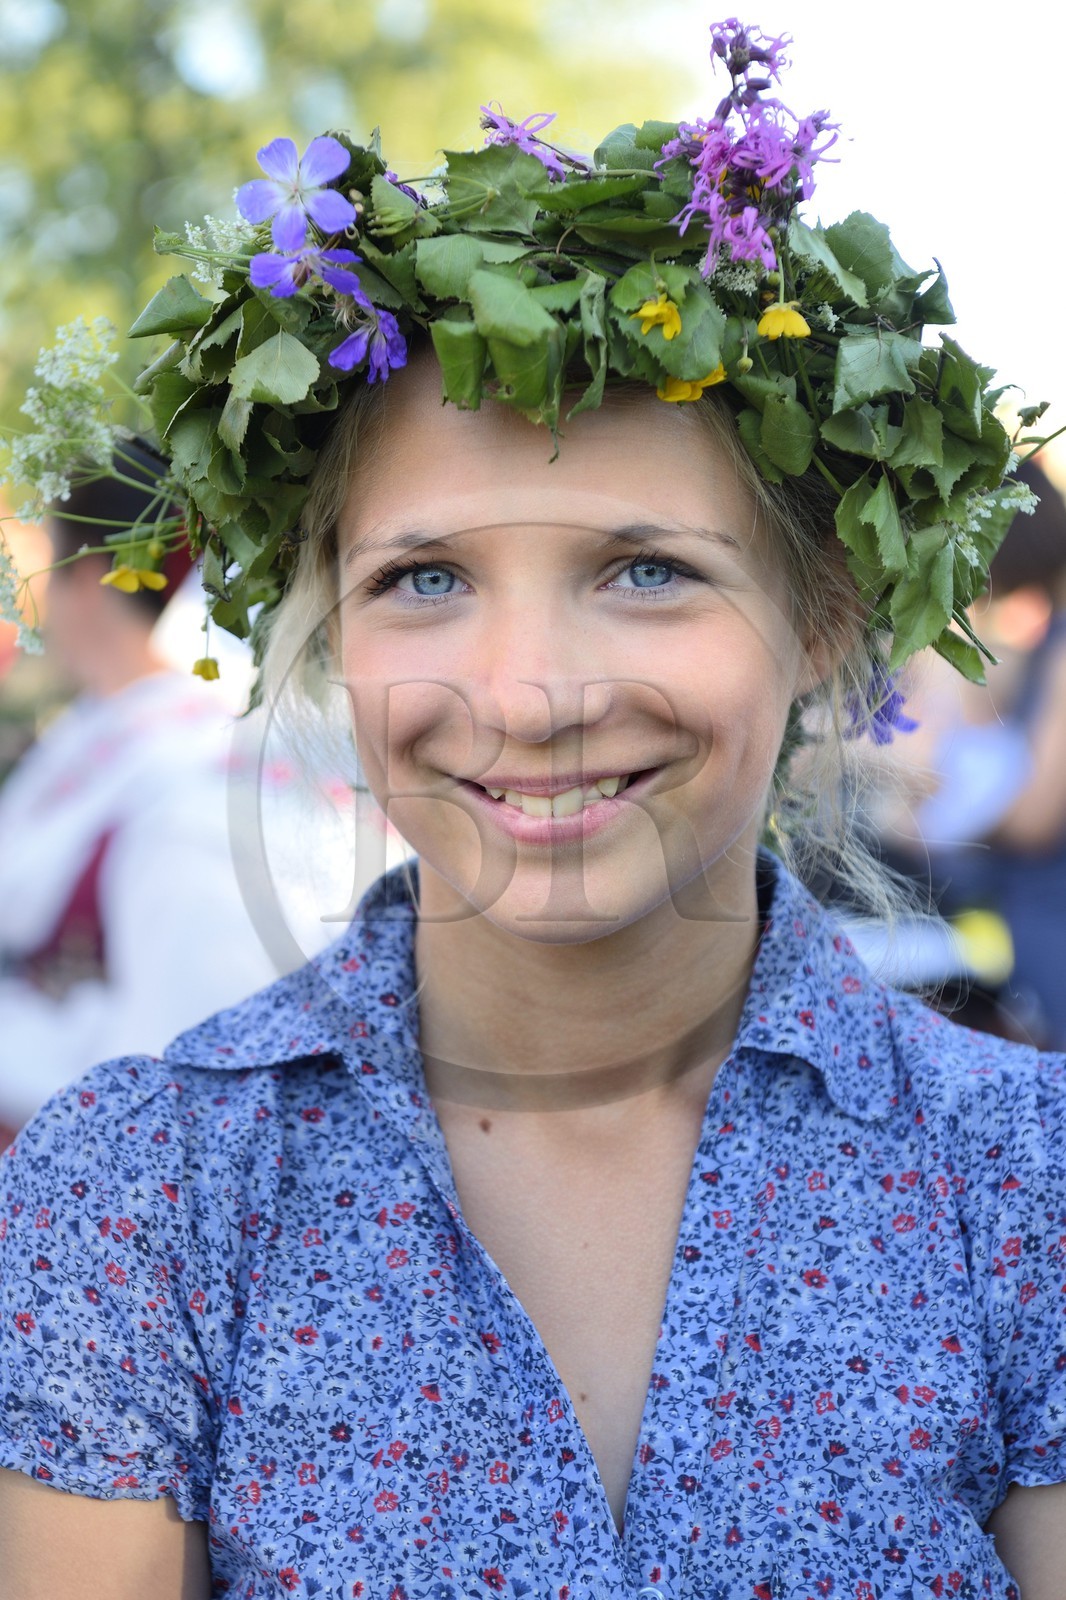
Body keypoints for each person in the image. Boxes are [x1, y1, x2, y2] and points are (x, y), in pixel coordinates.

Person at [1, 19, 1063, 1598]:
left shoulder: (1024, 1186)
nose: (525, 693)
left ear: (822, 620)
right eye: (423, 578)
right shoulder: (138, 1191)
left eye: (646, 571)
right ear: (330, 633)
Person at [0, 446, 281, 1139]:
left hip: (99, 1156)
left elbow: (184, 1052)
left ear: (89, 577)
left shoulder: (191, 773)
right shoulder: (109, 729)